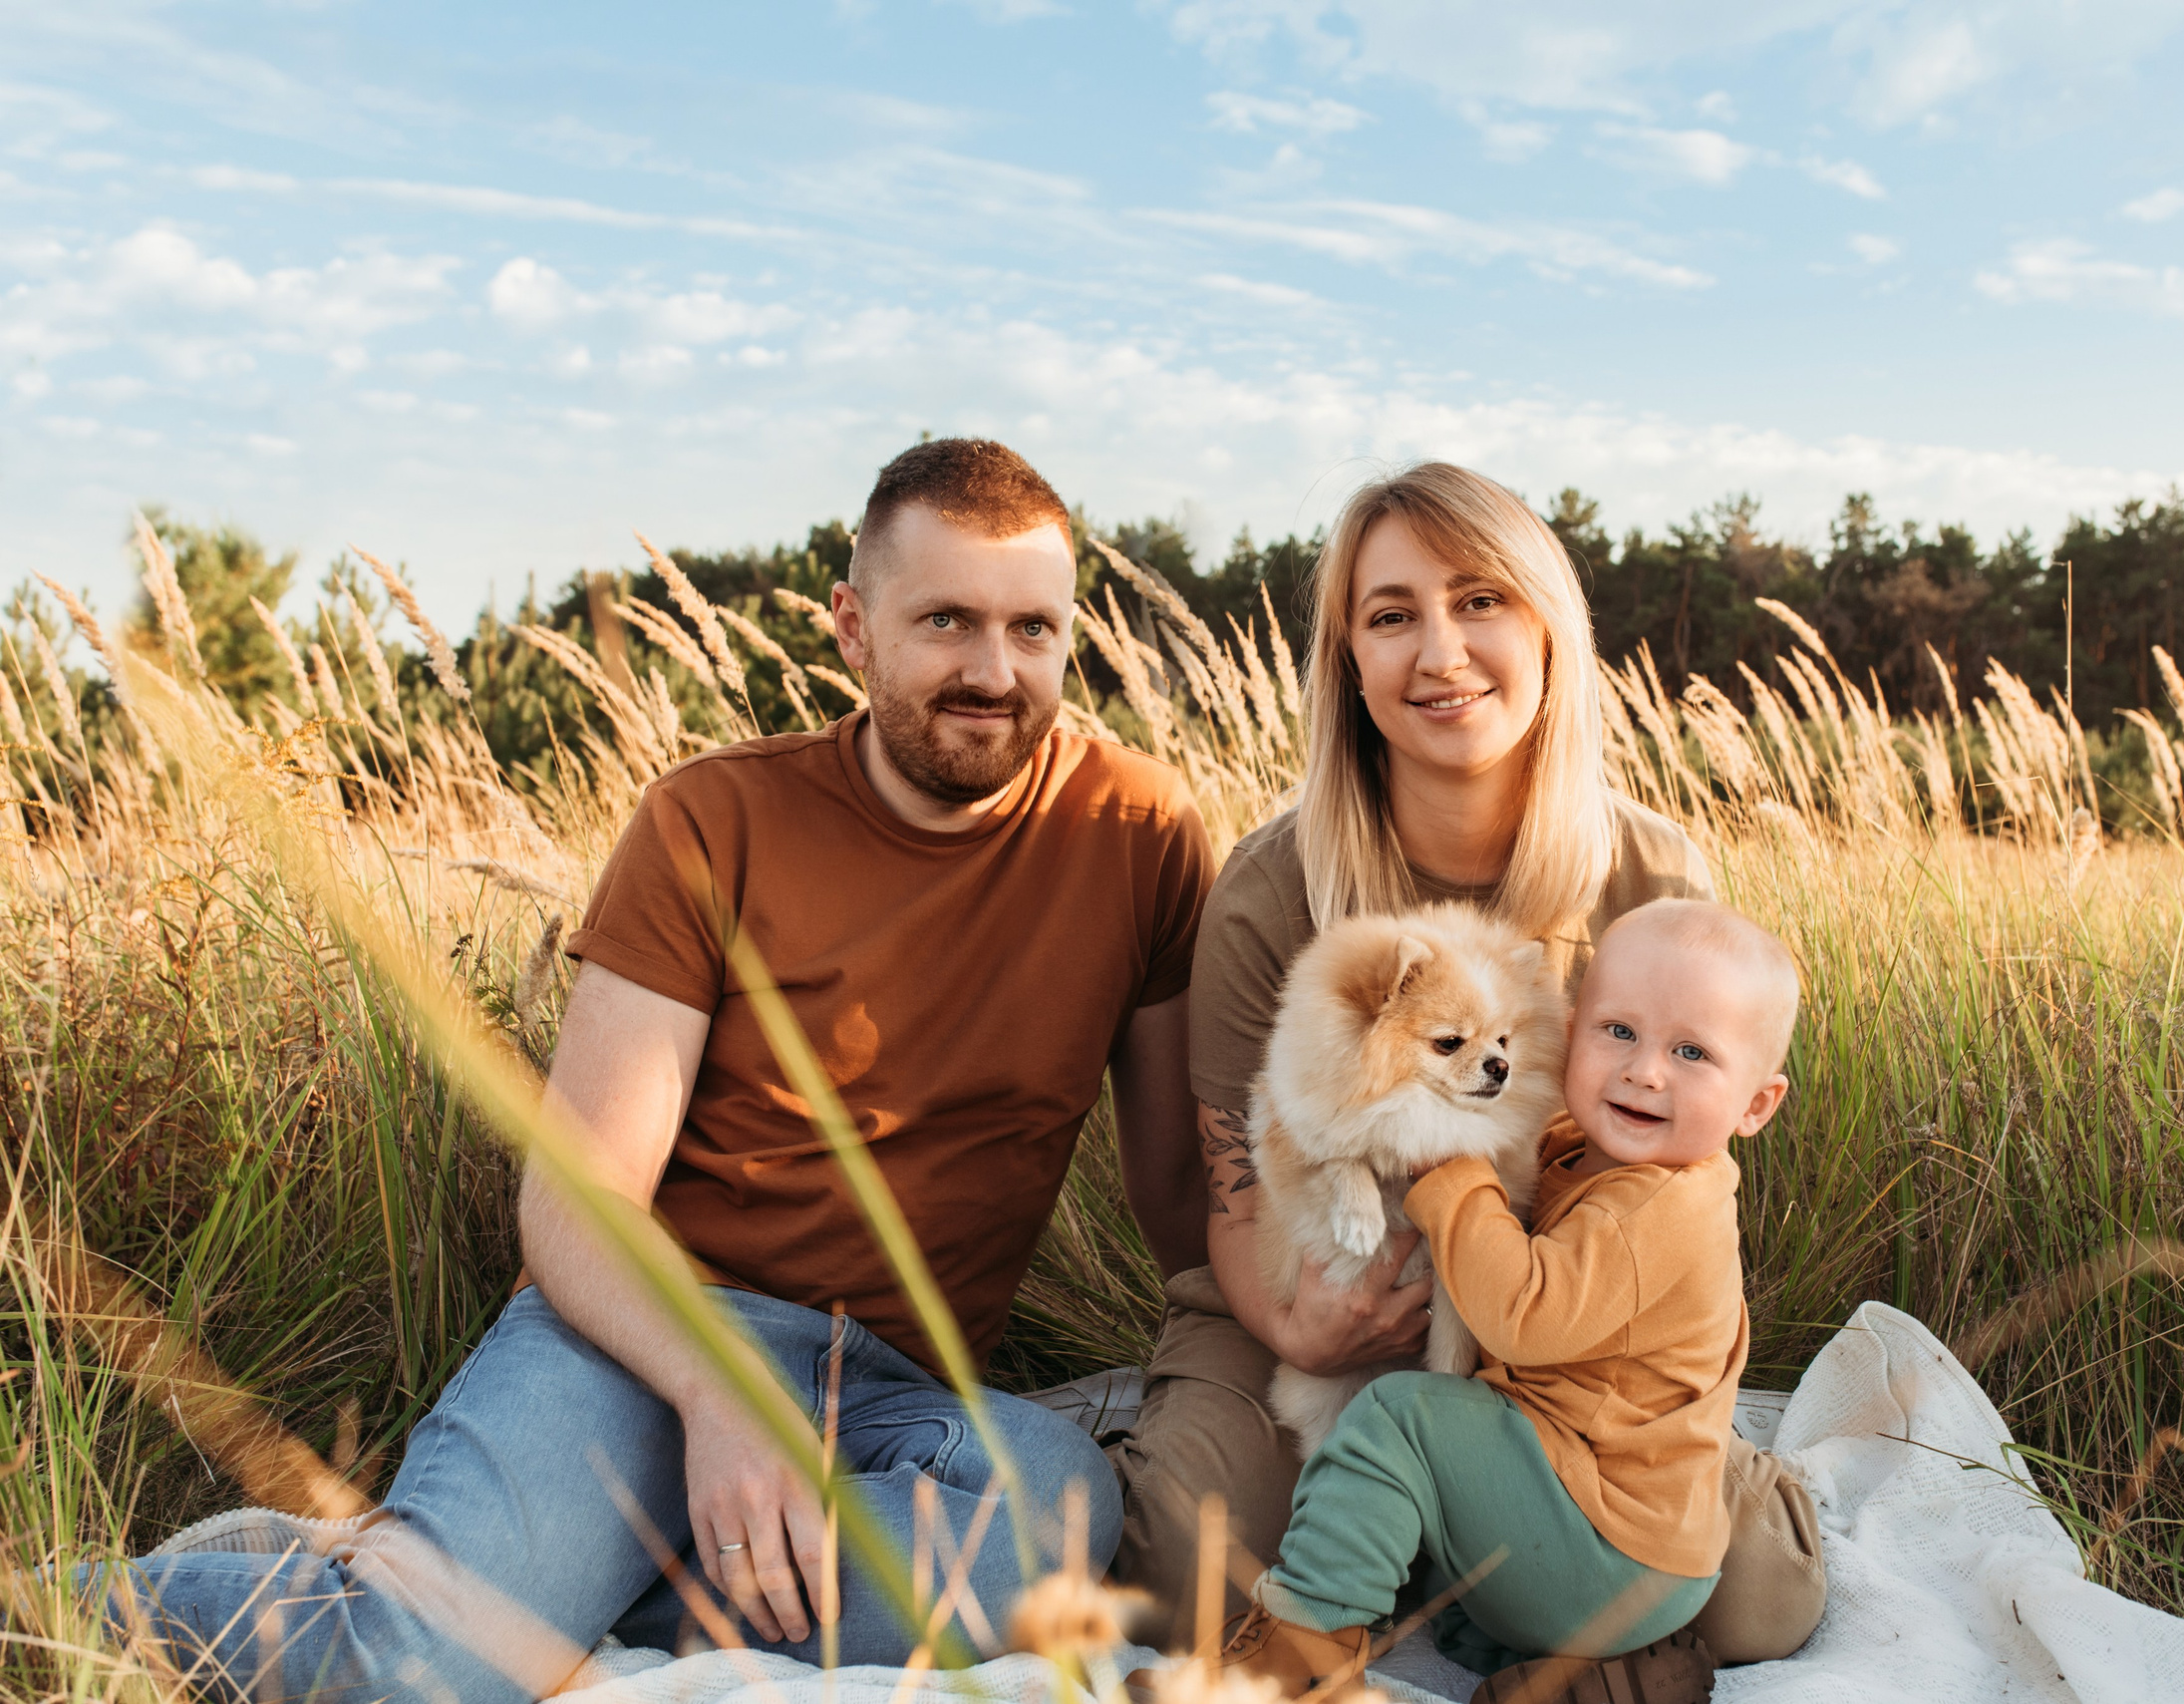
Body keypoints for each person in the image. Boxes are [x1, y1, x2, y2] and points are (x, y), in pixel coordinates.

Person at [114, 439, 1216, 1704]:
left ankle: (509, 1580)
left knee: (1054, 1536)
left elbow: (1178, 1184)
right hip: (645, 1339)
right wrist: (719, 1397)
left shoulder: (1135, 834)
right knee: (409, 1669)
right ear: (853, 630)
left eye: (1034, 627)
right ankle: (75, 1603)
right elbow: (578, 1198)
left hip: (897, 1395)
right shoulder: (714, 822)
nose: (994, 670)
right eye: (947, 621)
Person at [1108, 463, 1825, 1667]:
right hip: (1307, 1294)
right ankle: (1452, 1569)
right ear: (1348, 658)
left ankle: (1533, 1562)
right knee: (1193, 1571)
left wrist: (1582, 1353)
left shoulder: (1648, 875)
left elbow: (1673, 1183)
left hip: (1567, 1314)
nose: (1440, 649)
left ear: (1548, 624)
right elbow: (1233, 1189)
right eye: (1392, 615)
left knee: (1758, 1594)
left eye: (1479, 599)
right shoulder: (1272, 891)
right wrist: (1310, 1322)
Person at [1191, 898, 1796, 1704]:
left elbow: (1518, 1312)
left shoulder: (1658, 1212)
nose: (1645, 1069)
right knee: (1455, 1535)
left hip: (1606, 1547)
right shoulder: (1588, 1153)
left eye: (1690, 1052)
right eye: (1618, 1031)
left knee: (1400, 1417)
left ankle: (1299, 1652)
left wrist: (1452, 1166)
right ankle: (1589, 1675)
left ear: (1756, 1104)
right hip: (1604, 1531)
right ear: (1572, 1029)